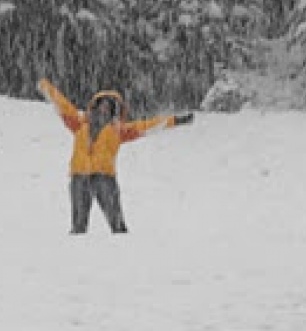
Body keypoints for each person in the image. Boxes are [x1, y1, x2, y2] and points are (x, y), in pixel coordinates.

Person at [36, 78, 193, 234]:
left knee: (117, 225)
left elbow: (148, 125)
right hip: (79, 176)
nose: (105, 108)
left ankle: (123, 252)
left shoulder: (119, 130)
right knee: (78, 227)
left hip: (104, 177)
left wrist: (175, 121)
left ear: (114, 110)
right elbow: (63, 106)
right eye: (102, 104)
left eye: (109, 106)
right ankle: (76, 254)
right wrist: (45, 86)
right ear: (95, 105)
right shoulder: (79, 123)